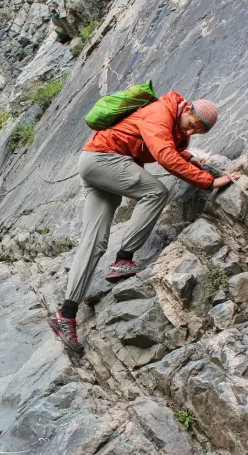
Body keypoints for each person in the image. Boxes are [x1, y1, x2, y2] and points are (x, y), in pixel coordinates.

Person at [48, 92, 237, 353]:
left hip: (95, 162)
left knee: (94, 242)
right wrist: (208, 182)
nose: (192, 129)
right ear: (187, 109)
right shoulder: (161, 112)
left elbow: (173, 149)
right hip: (104, 160)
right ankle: (123, 258)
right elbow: (163, 154)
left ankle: (65, 314)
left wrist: (191, 159)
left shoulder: (176, 126)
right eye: (193, 123)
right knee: (156, 191)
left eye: (198, 130)